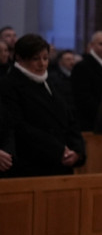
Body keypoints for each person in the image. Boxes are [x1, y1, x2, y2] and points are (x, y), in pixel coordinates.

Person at [0, 33, 86, 176]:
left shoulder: (50, 83)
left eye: (45, 58)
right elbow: (19, 126)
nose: (42, 64)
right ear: (20, 58)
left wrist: (77, 151)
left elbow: (69, 119)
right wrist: (59, 150)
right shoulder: (9, 85)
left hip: (60, 164)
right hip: (31, 166)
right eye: (35, 59)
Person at [70, 30, 102, 131]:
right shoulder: (82, 67)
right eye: (101, 44)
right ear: (92, 45)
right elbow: (81, 96)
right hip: (89, 120)